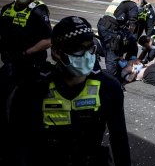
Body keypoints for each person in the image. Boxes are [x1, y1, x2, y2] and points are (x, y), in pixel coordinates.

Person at [8, 16, 131, 166]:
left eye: (90, 47)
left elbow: (119, 140)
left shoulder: (109, 88)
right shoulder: (33, 88)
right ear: (56, 53)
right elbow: (18, 143)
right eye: (77, 49)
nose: (87, 55)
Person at [0, 0, 52, 163]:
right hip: (11, 65)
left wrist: (25, 53)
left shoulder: (38, 10)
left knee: (30, 109)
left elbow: (47, 40)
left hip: (31, 66)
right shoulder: (6, 10)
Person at [98, 0, 140, 80]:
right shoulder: (133, 5)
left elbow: (117, 16)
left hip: (102, 26)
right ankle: (113, 81)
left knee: (109, 51)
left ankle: (115, 70)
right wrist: (129, 35)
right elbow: (133, 21)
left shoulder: (120, 0)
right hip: (110, 30)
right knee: (111, 55)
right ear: (138, 0)